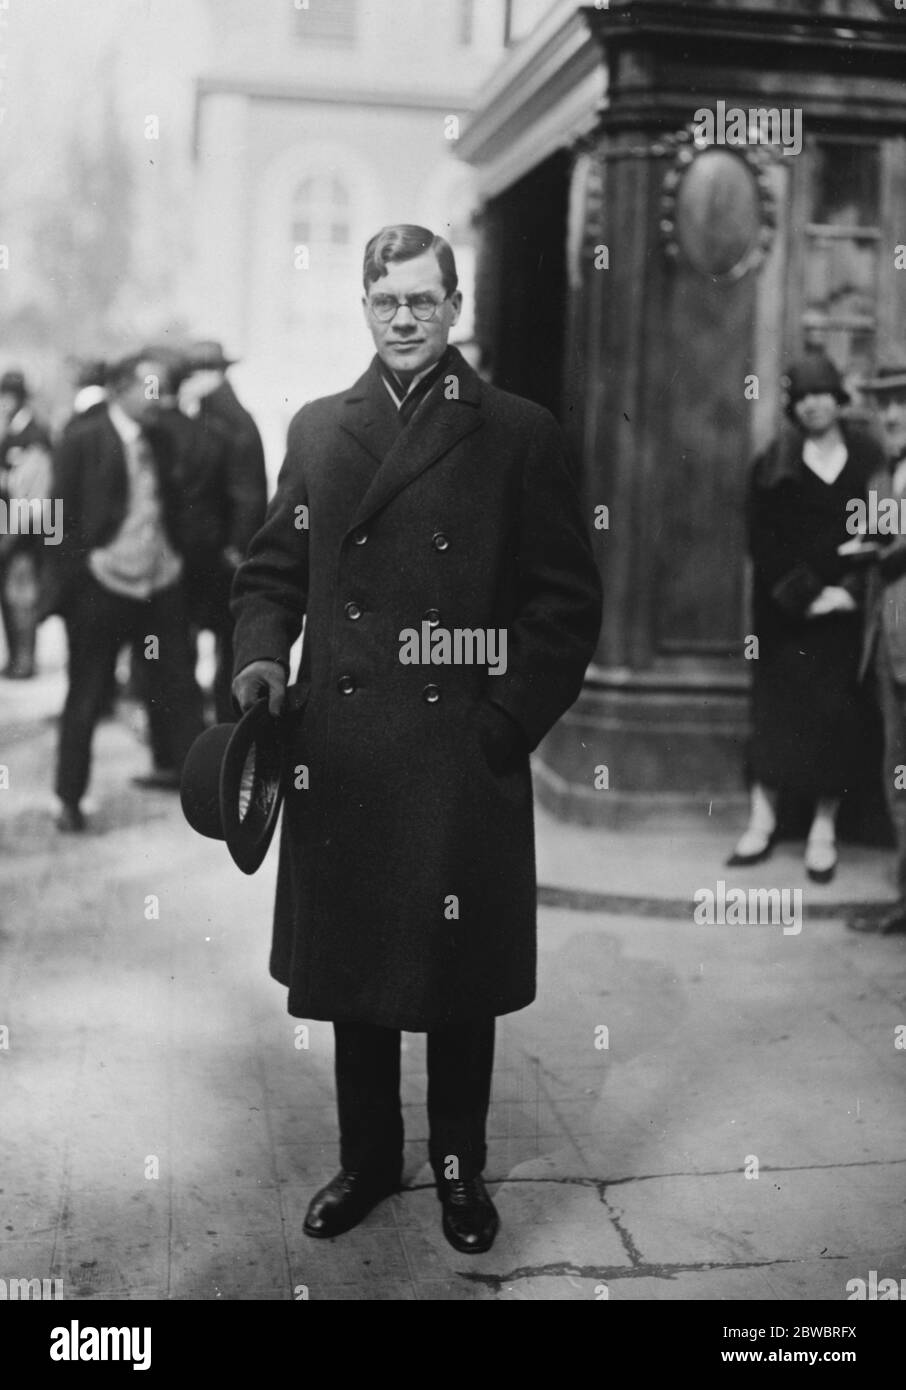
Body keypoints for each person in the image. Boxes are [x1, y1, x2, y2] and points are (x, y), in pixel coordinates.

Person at [230, 224, 602, 1253]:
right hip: (339, 748)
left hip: (455, 753)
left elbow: (563, 607)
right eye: (387, 300)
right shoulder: (316, 431)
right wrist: (263, 663)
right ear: (363, 306)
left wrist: (504, 720)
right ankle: (366, 1158)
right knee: (354, 973)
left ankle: (458, 1172)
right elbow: (268, 574)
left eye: (423, 301)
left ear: (454, 309)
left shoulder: (519, 433)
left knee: (455, 982)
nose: (404, 318)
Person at [728, 351, 882, 882]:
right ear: (794, 407)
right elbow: (762, 542)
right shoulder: (773, 464)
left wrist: (851, 594)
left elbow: (882, 537)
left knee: (835, 723)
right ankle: (761, 822)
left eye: (823, 394)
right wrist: (804, 596)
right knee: (775, 717)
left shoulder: (869, 462)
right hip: (785, 619)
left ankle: (823, 831)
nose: (814, 405)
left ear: (839, 401)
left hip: (844, 618)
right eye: (803, 397)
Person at [45, 352, 204, 831]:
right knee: (87, 693)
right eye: (151, 389)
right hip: (102, 587)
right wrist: (77, 573)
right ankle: (69, 798)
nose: (159, 399)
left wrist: (175, 560)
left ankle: (197, 789)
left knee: (178, 684)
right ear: (121, 389)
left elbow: (174, 504)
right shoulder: (81, 439)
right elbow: (55, 518)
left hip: (160, 583)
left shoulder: (161, 439)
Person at [849, 362, 906, 934]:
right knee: (900, 779)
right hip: (889, 651)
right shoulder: (878, 483)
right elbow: (871, 552)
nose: (892, 414)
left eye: (904, 402)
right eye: (885, 403)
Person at [0, 369, 53, 679]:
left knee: (21, 596)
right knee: (10, 596)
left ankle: (25, 660)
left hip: (24, 529)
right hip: (11, 524)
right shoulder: (10, 432)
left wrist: (20, 532)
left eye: (10, 395)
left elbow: (38, 491)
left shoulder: (33, 434)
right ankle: (16, 658)